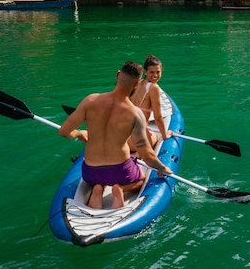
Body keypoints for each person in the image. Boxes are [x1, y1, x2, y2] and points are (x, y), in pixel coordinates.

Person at [58, 61, 172, 209]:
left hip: (91, 171)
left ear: (118, 75)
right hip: (120, 170)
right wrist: (162, 167)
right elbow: (147, 154)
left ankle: (97, 189)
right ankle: (121, 189)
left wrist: (79, 133)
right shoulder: (134, 114)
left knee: (97, 179)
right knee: (141, 179)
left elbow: (64, 132)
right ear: (137, 84)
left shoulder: (90, 100)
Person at [128, 55, 173, 150]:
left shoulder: (138, 83)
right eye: (151, 72)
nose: (155, 75)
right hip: (136, 140)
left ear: (162, 71)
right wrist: (165, 135)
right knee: (156, 138)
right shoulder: (153, 88)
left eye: (158, 72)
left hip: (126, 133)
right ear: (145, 72)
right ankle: (137, 154)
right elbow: (158, 117)